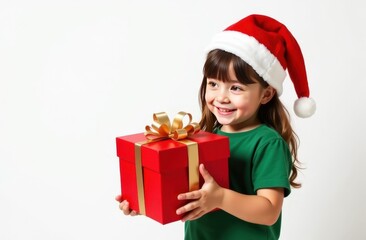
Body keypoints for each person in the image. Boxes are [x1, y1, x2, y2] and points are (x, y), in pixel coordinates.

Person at [116, 14, 315, 240]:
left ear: (266, 94)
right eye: (213, 84)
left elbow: (269, 210)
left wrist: (220, 197)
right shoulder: (203, 140)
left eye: (236, 88)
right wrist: (144, 200)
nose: (221, 97)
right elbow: (188, 195)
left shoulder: (268, 143)